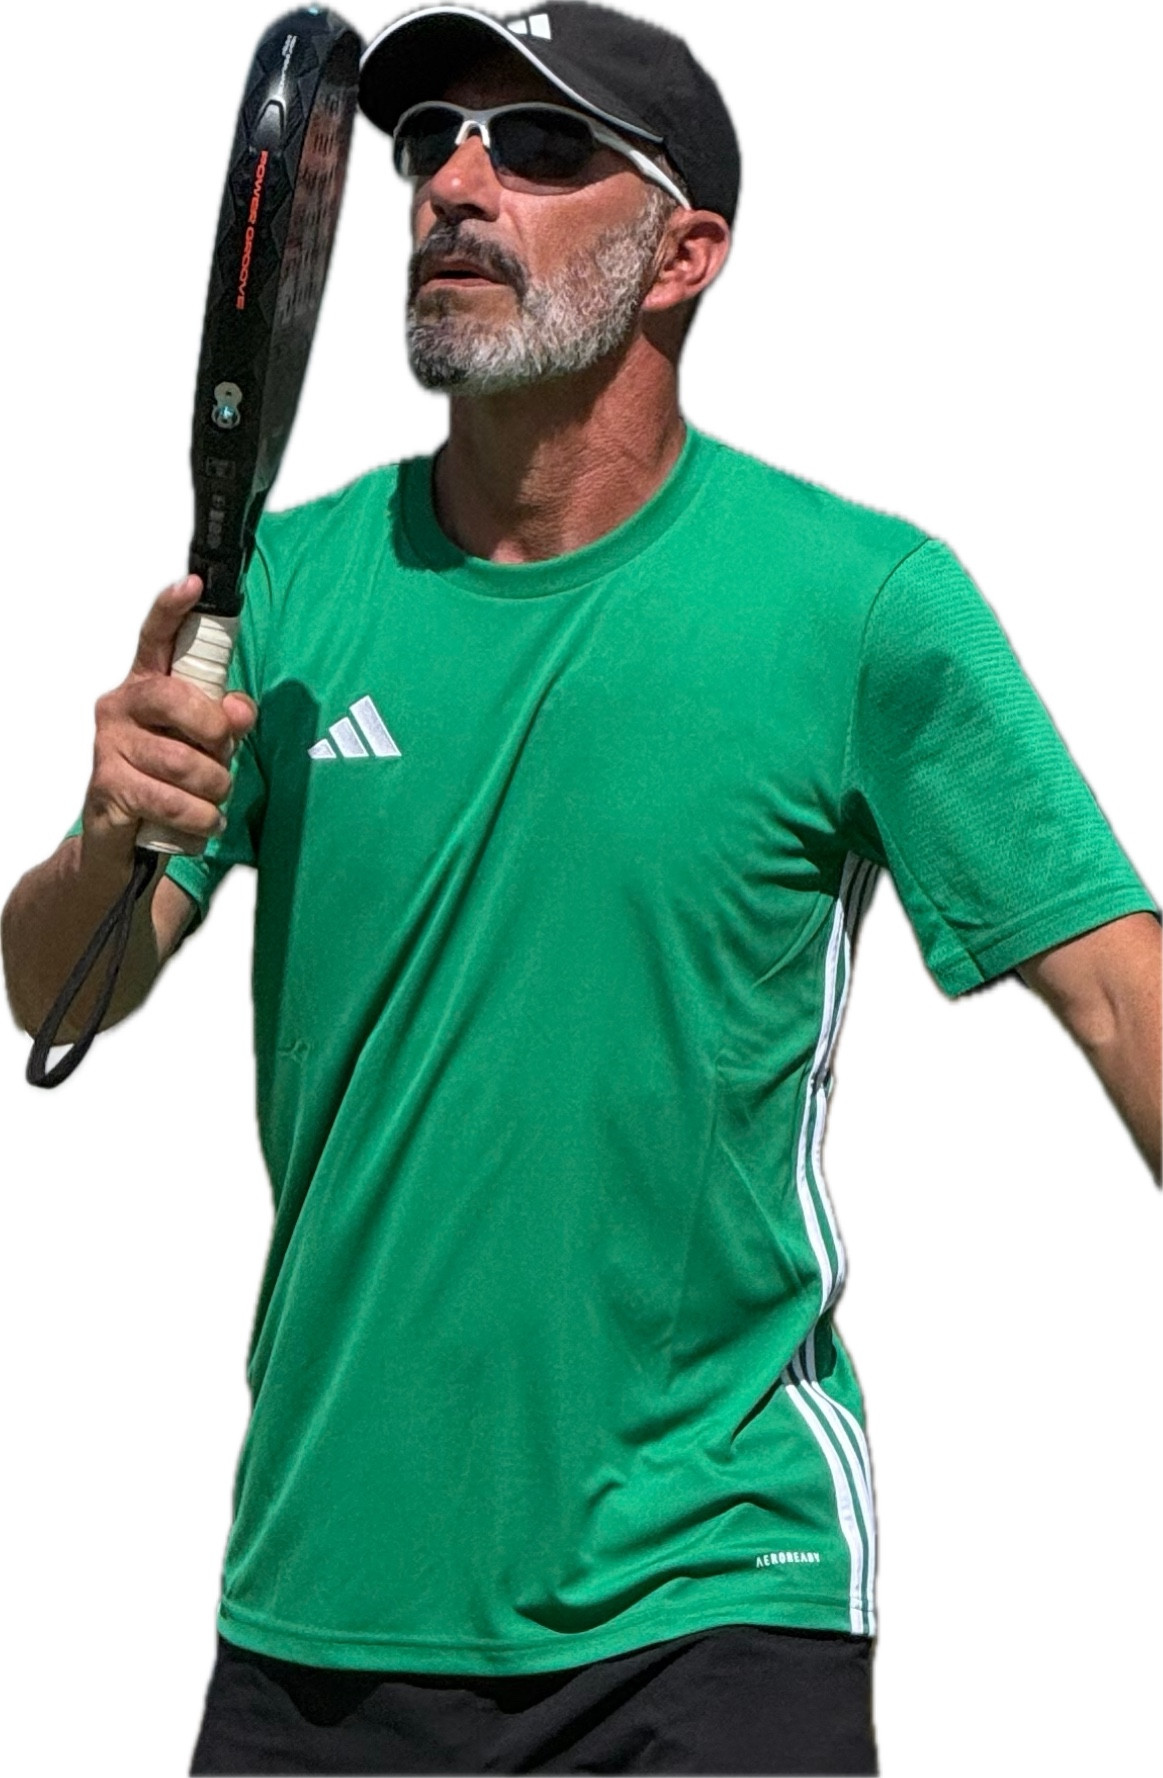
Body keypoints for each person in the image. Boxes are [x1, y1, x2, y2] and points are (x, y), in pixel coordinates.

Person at [3, 3, 1159, 1772]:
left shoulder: (859, 604)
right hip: (319, 1606)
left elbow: (1124, 992)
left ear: (684, 255)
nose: (456, 184)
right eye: (431, 143)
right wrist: (108, 830)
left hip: (712, 1593)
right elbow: (55, 986)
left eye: (540, 147)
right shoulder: (286, 595)